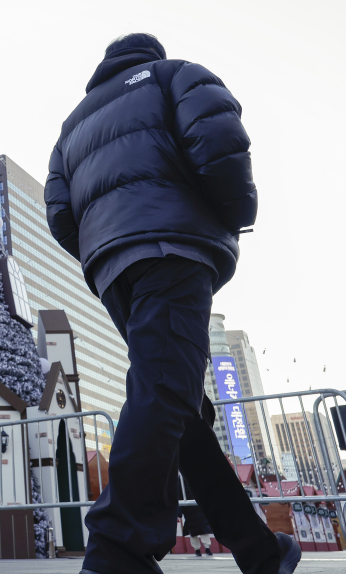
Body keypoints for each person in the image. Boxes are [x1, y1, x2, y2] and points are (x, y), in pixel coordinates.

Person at [44, 33, 301, 574]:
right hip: (174, 249)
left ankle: (258, 552)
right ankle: (117, 551)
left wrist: (105, 249)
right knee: (164, 394)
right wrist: (231, 215)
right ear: (149, 53)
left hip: (115, 271)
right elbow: (221, 141)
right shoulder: (172, 75)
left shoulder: (72, 126)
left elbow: (60, 215)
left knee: (177, 407)